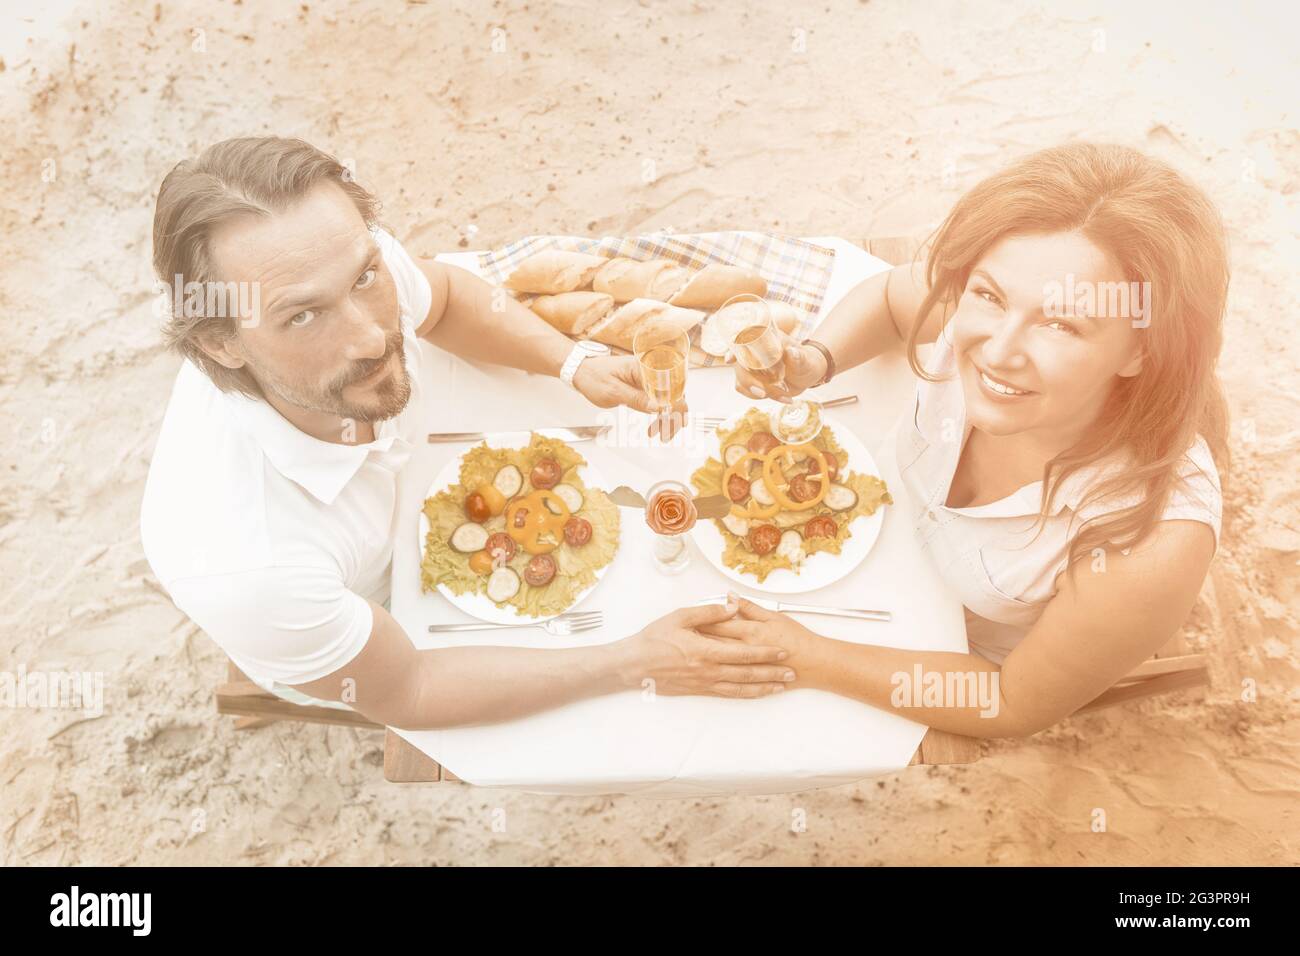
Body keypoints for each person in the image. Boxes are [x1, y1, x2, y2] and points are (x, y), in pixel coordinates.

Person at [141, 137, 795, 729]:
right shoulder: (253, 566)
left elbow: (448, 297)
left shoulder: (327, 256)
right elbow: (411, 689)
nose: (373, 337)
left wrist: (574, 362)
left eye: (367, 277)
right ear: (220, 344)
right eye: (304, 316)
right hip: (373, 629)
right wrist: (631, 662)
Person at [718, 142, 1227, 738]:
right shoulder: (970, 317)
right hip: (856, 547)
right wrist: (814, 360)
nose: (996, 351)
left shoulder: (1149, 548)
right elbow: (888, 296)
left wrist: (810, 657)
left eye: (1061, 324)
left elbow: (1010, 704)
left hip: (939, 653)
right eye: (990, 295)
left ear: (1143, 348)